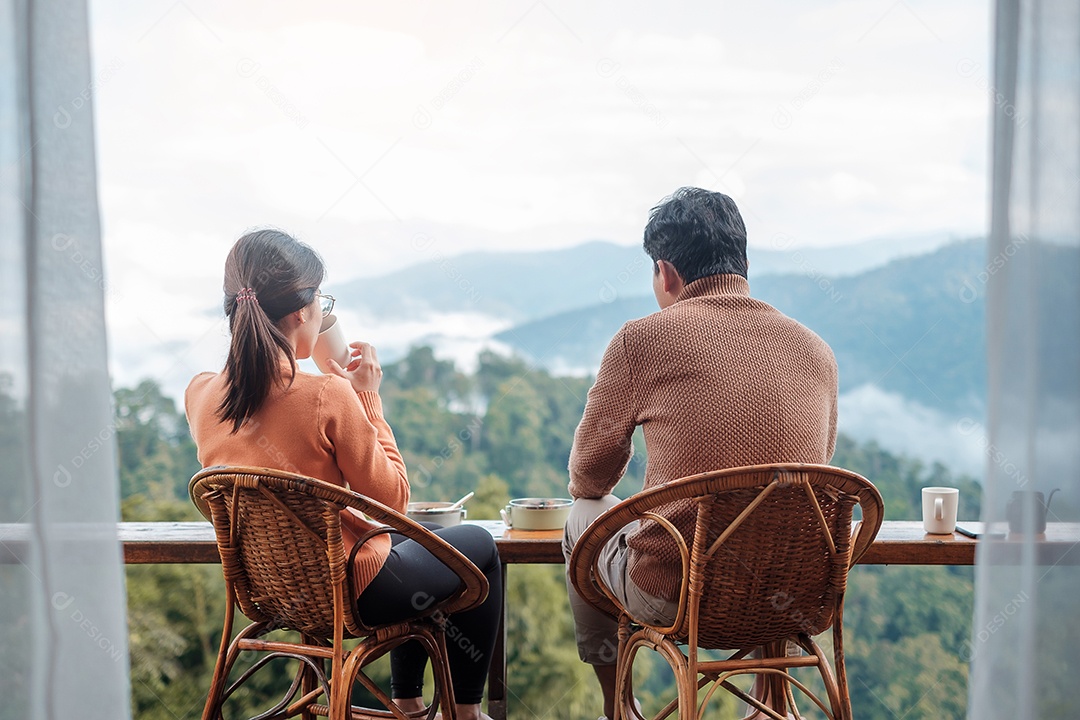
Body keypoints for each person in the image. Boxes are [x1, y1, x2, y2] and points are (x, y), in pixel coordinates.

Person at [185, 229, 501, 720]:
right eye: (321, 300)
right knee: (478, 544)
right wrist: (366, 397)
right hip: (349, 592)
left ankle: (409, 702)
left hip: (268, 592)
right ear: (301, 312)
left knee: (427, 541)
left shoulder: (200, 394)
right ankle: (464, 713)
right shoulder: (327, 395)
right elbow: (394, 502)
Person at [562, 188, 838, 720]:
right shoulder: (816, 350)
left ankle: (619, 707)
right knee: (775, 512)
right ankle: (770, 704)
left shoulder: (641, 340)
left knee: (583, 516)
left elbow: (589, 478)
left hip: (678, 597)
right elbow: (810, 482)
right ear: (744, 264)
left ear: (665, 273)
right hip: (795, 595)